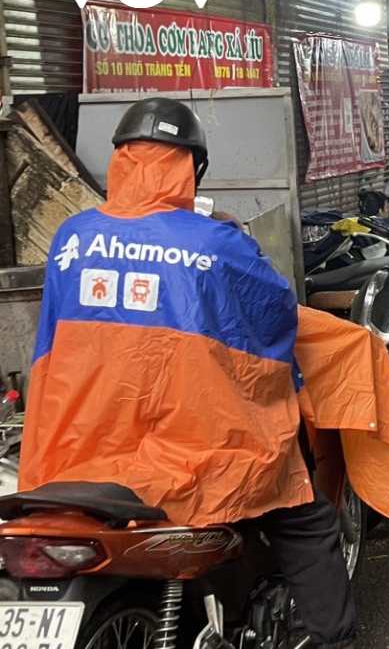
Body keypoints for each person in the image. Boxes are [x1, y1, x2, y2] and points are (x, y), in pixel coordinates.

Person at [22, 97, 357, 649]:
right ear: (191, 166)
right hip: (193, 450)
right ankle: (334, 642)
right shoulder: (216, 243)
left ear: (120, 160)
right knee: (304, 518)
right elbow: (274, 314)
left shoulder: (71, 237)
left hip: (75, 449)